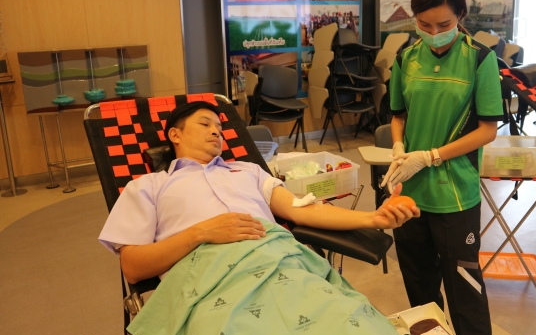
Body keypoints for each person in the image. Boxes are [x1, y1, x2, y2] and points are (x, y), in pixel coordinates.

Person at [99, 101, 419, 285]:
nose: (216, 132)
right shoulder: (148, 186)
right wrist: (201, 233)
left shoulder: (247, 171)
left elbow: (300, 208)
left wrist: (372, 218)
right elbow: (133, 268)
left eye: (220, 128)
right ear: (174, 134)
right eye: (205, 124)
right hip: (207, 280)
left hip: (280, 264)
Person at [381, 0, 502, 335]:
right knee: (420, 292)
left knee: (465, 292)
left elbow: (487, 130)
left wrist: (431, 156)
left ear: (461, 15)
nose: (433, 33)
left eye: (444, 25)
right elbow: (398, 115)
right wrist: (398, 148)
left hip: (455, 194)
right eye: (424, 24)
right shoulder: (406, 58)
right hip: (409, 193)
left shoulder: (479, 59)